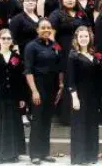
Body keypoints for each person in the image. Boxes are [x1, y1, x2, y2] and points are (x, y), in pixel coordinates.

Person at [24, 19, 63, 164]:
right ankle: (34, 154)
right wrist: (34, 91)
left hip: (52, 87)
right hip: (38, 86)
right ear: (37, 29)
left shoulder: (55, 46)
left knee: (47, 120)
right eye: (43, 27)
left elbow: (59, 67)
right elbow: (28, 70)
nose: (46, 29)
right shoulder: (31, 47)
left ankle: (45, 152)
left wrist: (60, 85)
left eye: (49, 27)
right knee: (37, 121)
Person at [0, 29, 26, 163]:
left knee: (13, 124)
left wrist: (21, 97)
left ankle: (13, 154)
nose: (6, 41)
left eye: (9, 38)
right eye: (4, 38)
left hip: (13, 96)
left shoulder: (16, 57)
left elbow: (21, 78)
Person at [49, 0, 89, 125]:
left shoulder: (81, 14)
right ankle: (66, 117)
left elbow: (88, 32)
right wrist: (55, 48)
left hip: (81, 51)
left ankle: (81, 113)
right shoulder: (57, 14)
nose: (70, 0)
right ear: (62, 0)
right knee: (67, 81)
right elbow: (51, 34)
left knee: (80, 80)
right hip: (64, 51)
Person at [67, 26, 102, 165]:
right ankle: (79, 157)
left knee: (92, 125)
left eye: (86, 36)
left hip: (93, 96)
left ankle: (91, 156)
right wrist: (74, 97)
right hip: (79, 94)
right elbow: (70, 79)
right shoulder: (73, 55)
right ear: (76, 38)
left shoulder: (93, 55)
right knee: (79, 126)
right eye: (81, 36)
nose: (83, 39)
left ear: (90, 38)